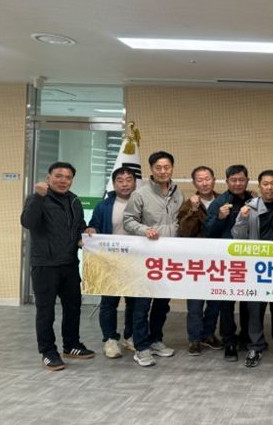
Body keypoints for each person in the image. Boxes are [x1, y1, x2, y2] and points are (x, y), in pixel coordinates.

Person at [21, 161, 94, 370]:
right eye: (58, 176)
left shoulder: (74, 201)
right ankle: (48, 352)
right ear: (48, 177)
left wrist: (86, 232)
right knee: (46, 311)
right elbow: (27, 222)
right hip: (45, 265)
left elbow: (78, 227)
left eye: (68, 177)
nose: (63, 180)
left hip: (69, 264)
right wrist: (38, 197)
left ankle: (71, 345)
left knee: (73, 307)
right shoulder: (38, 198)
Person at [123, 151, 184, 367]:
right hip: (146, 259)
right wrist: (144, 230)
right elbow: (128, 220)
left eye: (167, 167)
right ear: (151, 170)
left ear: (172, 168)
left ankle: (156, 339)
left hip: (168, 260)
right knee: (142, 305)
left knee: (162, 304)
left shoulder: (178, 193)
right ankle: (141, 347)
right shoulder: (140, 194)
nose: (163, 171)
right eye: (158, 167)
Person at [232, 169, 273, 367]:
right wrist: (242, 218)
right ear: (259, 186)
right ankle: (255, 346)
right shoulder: (249, 208)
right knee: (255, 308)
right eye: (265, 184)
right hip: (255, 267)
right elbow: (237, 236)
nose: (269, 187)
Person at [87, 166, 137, 359]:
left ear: (135, 182)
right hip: (110, 261)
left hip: (135, 261)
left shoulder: (142, 202)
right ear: (114, 183)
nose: (125, 184)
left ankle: (130, 337)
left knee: (134, 302)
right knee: (109, 302)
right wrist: (92, 229)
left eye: (129, 180)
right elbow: (94, 225)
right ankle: (110, 339)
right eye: (120, 180)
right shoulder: (104, 206)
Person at [205, 164, 253, 361]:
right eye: (233, 180)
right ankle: (229, 341)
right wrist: (219, 218)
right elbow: (208, 232)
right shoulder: (219, 203)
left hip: (249, 259)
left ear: (247, 181)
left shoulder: (253, 200)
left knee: (248, 301)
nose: (238, 183)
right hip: (227, 262)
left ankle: (246, 336)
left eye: (241, 180)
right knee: (226, 303)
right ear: (226, 182)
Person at [177, 166, 223, 356]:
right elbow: (185, 231)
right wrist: (194, 210)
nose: (204, 183)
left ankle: (208, 334)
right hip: (196, 262)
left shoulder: (223, 200)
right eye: (200, 180)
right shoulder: (188, 204)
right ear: (194, 183)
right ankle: (194, 338)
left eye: (207, 179)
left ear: (214, 180)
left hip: (218, 261)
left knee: (215, 301)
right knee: (195, 303)